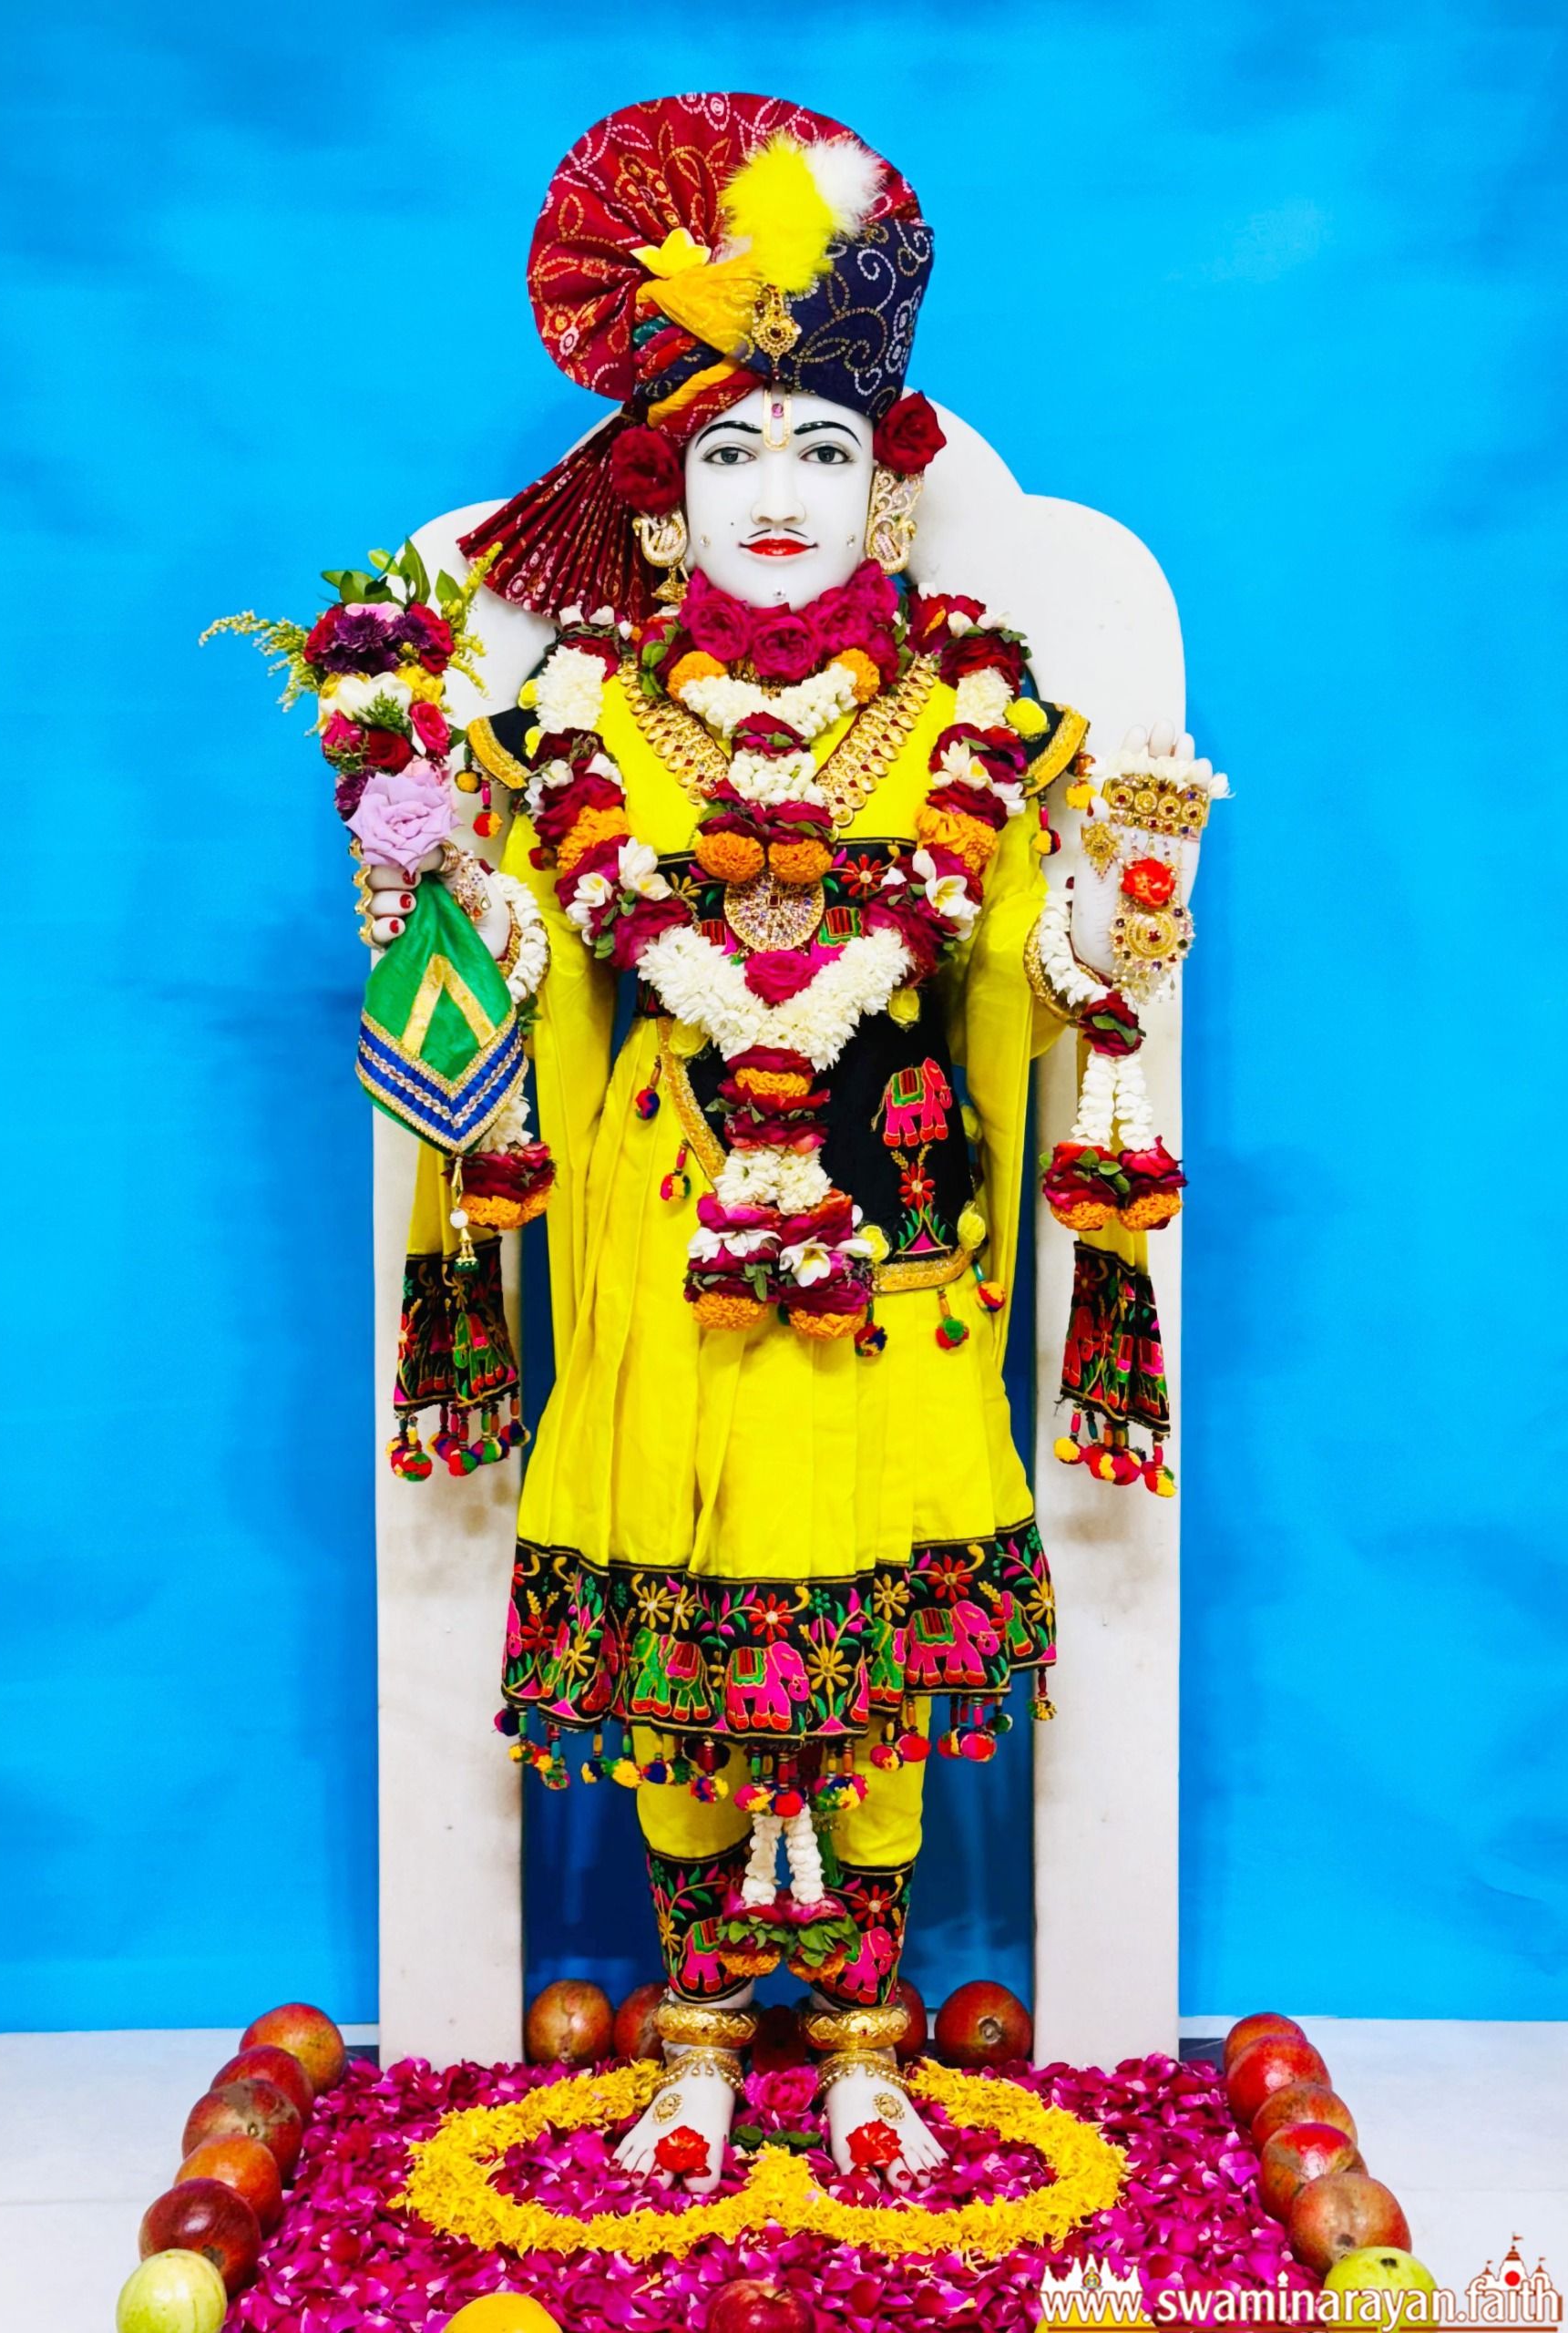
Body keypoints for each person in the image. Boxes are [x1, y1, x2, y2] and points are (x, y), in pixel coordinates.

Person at [363, 93, 1218, 2194]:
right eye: (727, 452)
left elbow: (1028, 986)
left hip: (888, 1275)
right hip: (663, 1266)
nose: (775, 492)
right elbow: (520, 1023)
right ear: (657, 507)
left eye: (822, 450)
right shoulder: (580, 734)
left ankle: (861, 2041)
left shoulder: (968, 727)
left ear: (889, 497)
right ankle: (690, 2040)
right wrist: (427, 895)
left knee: (866, 1688)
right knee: (682, 1682)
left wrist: (1110, 922)